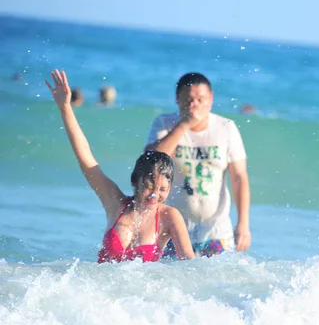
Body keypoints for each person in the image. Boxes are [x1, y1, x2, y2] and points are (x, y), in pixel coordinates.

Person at [45, 69, 195, 263]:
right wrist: (65, 108)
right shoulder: (116, 203)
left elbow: (189, 264)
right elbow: (86, 158)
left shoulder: (169, 216)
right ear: (135, 181)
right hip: (101, 289)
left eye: (163, 189)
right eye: (149, 186)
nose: (154, 194)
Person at [145, 72, 251, 257]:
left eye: (200, 99)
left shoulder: (226, 127)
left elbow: (239, 177)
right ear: (177, 100)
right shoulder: (164, 123)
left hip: (216, 231)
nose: (194, 105)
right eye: (188, 100)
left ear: (210, 99)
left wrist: (243, 224)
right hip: (172, 230)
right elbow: (151, 160)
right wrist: (184, 125)